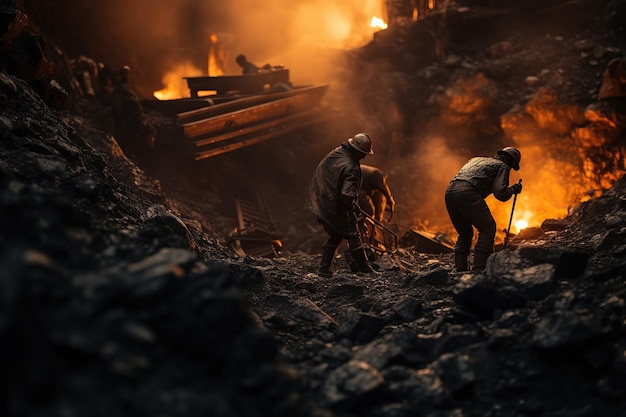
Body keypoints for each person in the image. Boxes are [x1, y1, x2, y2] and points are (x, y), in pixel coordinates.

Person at [306, 133, 378, 277]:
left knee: (338, 233)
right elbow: (347, 196)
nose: (363, 157)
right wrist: (353, 212)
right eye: (363, 154)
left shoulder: (337, 153)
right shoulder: (352, 167)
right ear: (357, 151)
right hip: (332, 203)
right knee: (353, 233)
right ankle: (365, 269)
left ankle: (324, 268)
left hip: (320, 198)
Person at [444, 147, 523, 272]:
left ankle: (460, 270)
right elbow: (500, 193)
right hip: (468, 192)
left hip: (449, 192)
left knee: (465, 234)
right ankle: (479, 269)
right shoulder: (503, 166)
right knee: (488, 227)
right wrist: (513, 189)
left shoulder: (475, 160)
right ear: (512, 162)